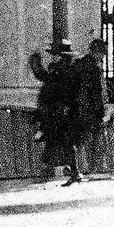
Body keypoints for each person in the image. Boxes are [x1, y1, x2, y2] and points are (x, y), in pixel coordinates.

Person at [28, 40, 83, 185]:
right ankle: (71, 172)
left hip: (60, 112)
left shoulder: (63, 71)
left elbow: (46, 79)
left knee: (59, 141)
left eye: (55, 55)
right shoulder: (61, 69)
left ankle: (59, 172)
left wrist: (35, 62)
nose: (53, 57)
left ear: (62, 56)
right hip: (57, 111)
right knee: (59, 142)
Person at [74, 38, 111, 178]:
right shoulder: (90, 66)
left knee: (89, 139)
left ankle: (88, 168)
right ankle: (91, 168)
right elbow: (93, 92)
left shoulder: (87, 64)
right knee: (91, 139)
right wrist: (100, 109)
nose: (103, 57)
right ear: (97, 52)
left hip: (87, 109)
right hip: (90, 110)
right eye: (102, 53)